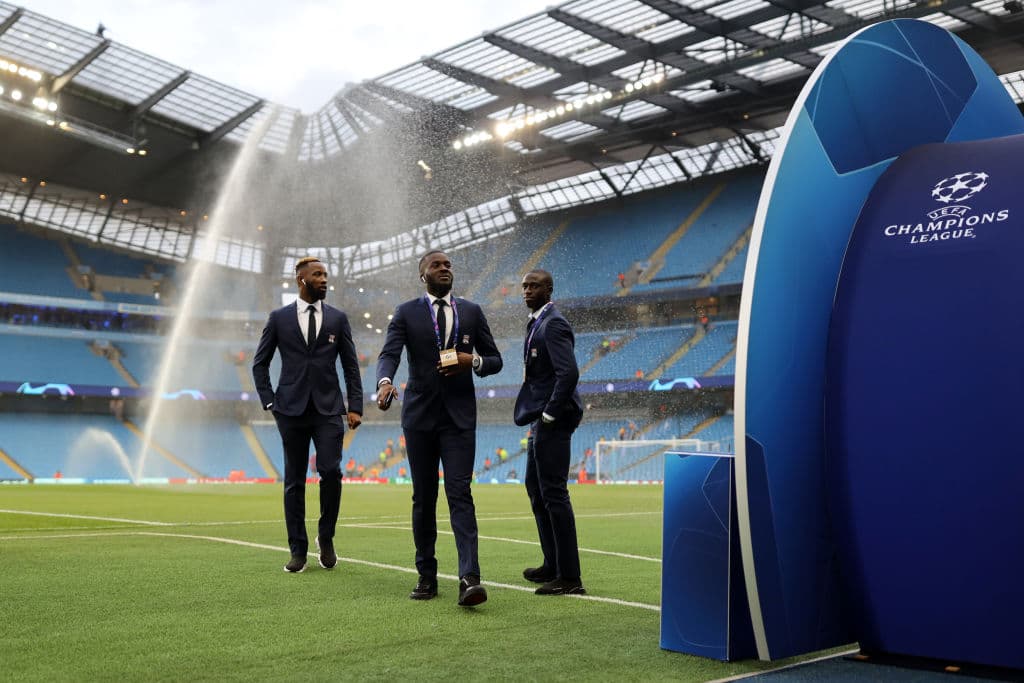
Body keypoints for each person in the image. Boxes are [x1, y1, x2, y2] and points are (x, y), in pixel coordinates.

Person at [376, 249, 503, 607]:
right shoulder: (406, 312)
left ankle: (469, 578)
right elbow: (389, 354)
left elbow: (495, 359)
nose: (445, 268)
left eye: (448, 264)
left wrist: (471, 360)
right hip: (419, 419)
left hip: (459, 419)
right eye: (436, 265)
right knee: (424, 497)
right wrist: (385, 381)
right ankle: (426, 575)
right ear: (423, 276)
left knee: (460, 493)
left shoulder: (472, 311)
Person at [252, 256, 363, 574]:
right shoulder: (279, 318)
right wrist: (270, 403)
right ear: (301, 280)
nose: (324, 279)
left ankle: (325, 537)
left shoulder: (338, 318)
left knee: (331, 472)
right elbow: (259, 364)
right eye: (318, 275)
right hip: (290, 410)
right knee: (294, 481)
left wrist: (355, 406)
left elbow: (350, 365)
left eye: (325, 274)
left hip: (329, 409)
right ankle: (297, 550)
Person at [514, 269, 586, 596]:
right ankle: (552, 563)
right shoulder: (537, 323)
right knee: (535, 487)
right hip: (540, 418)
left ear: (549, 289)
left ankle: (570, 577)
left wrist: (549, 414)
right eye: (525, 286)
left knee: (554, 492)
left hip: (553, 418)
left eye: (534, 286)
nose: (527, 290)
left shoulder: (554, 323)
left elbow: (568, 373)